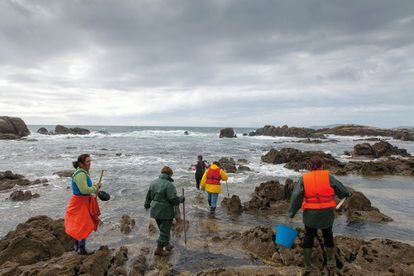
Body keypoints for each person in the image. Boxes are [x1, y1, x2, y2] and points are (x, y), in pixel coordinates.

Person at [288, 156, 350, 275]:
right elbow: (343, 191)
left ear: (310, 167)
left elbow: (296, 197)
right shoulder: (328, 177)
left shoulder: (304, 179)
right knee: (328, 235)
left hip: (311, 214)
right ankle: (330, 262)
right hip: (327, 213)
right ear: (322, 166)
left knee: (309, 237)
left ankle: (307, 265)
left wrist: (291, 213)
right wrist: (346, 193)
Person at [65, 154, 102, 255]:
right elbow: (84, 190)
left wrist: (95, 187)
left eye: (90, 161)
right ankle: (81, 248)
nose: (90, 164)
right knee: (84, 225)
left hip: (81, 201)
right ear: (81, 164)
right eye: (87, 162)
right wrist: (95, 187)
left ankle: (77, 246)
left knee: (79, 224)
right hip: (80, 203)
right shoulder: (80, 174)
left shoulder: (82, 172)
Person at [144, 166, 185, 256]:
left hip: (155, 210)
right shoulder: (169, 185)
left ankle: (167, 245)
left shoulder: (153, 182)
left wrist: (146, 205)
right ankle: (159, 250)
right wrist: (181, 199)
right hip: (165, 211)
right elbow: (173, 199)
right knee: (165, 231)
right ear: (170, 174)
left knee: (163, 229)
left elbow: (148, 196)